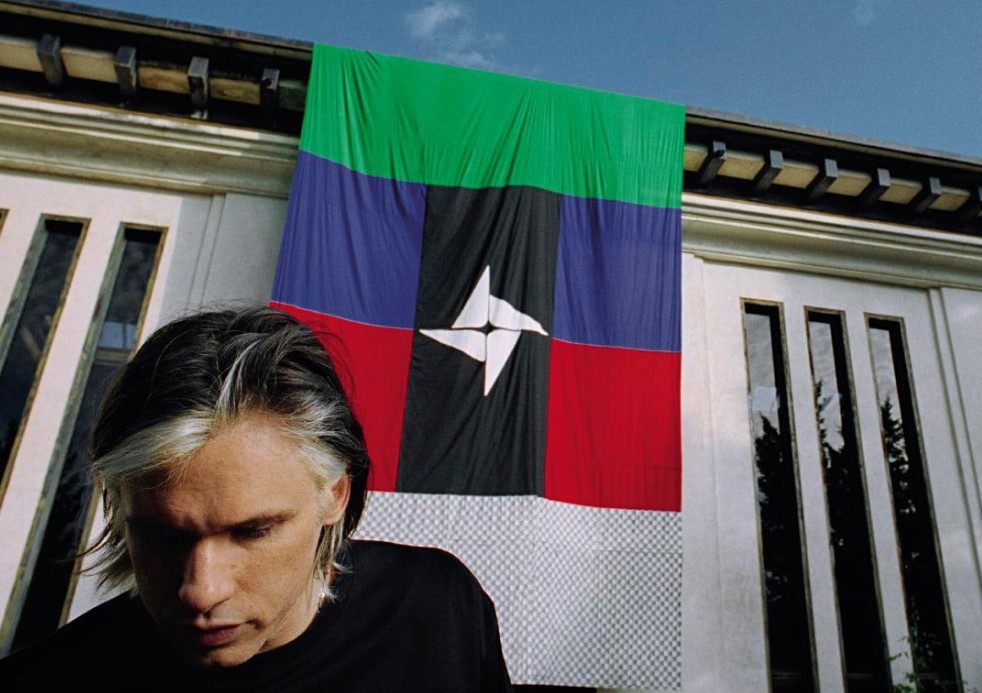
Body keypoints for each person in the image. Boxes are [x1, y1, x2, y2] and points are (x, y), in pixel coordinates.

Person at [0, 306, 512, 691]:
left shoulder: (439, 608)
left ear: (336, 493)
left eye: (253, 531)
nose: (201, 592)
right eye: (161, 536)